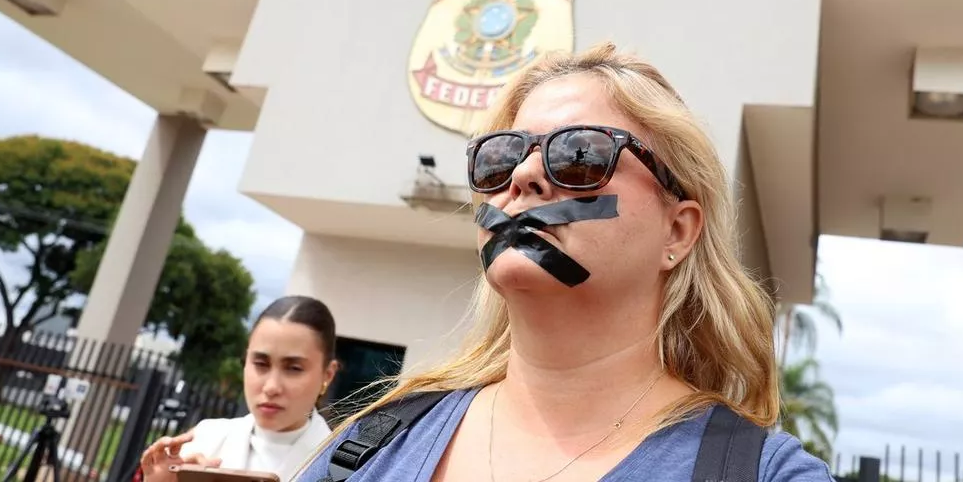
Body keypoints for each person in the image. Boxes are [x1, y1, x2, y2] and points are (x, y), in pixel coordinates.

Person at [297, 42, 834, 481]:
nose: (524, 177)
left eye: (580, 154)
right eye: (500, 159)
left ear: (678, 229)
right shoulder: (372, 445)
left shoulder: (760, 472)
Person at [140, 295, 339, 481]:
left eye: (294, 368)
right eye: (261, 364)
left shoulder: (346, 466)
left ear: (327, 375)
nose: (271, 387)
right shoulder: (204, 441)